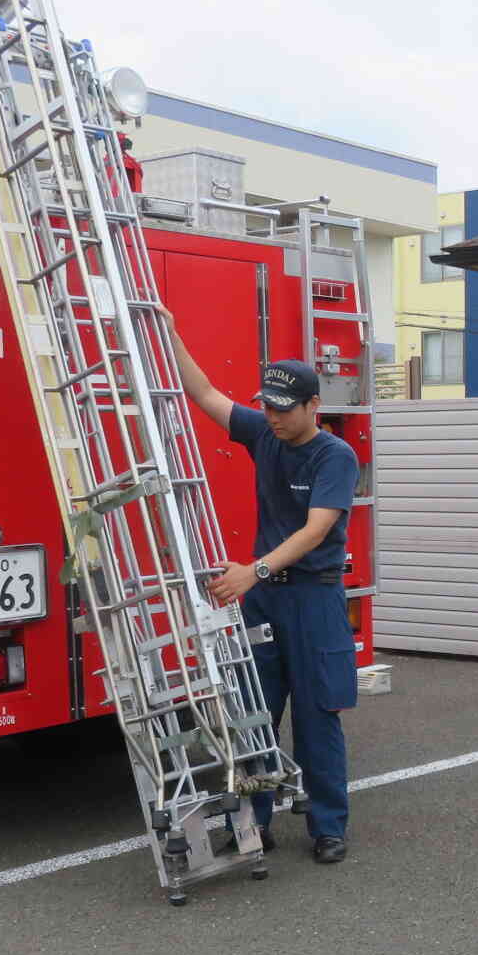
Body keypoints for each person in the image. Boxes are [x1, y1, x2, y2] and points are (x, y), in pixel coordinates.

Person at [173, 350, 361, 865]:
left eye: (284, 408)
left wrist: (250, 571)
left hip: (313, 597)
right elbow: (206, 393)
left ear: (313, 405)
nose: (274, 416)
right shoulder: (264, 435)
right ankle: (252, 823)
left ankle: (327, 825)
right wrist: (170, 334)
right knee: (253, 712)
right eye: (268, 406)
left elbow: (316, 528)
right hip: (266, 599)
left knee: (317, 713)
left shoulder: (335, 456)